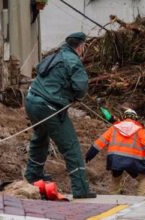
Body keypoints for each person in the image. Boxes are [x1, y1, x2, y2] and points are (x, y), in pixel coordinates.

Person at [24, 32, 96, 198]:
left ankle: (33, 176)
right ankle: (81, 189)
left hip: (31, 101)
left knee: (40, 138)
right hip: (49, 107)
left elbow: (44, 73)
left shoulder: (55, 56)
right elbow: (81, 87)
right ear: (80, 47)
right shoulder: (73, 61)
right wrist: (76, 96)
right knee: (71, 146)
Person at [85, 109, 145, 196]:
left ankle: (113, 199)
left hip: (115, 160)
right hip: (134, 162)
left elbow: (99, 142)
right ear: (135, 118)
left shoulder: (115, 128)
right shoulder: (139, 130)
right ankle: (141, 201)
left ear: (124, 117)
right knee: (143, 179)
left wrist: (90, 155)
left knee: (116, 180)